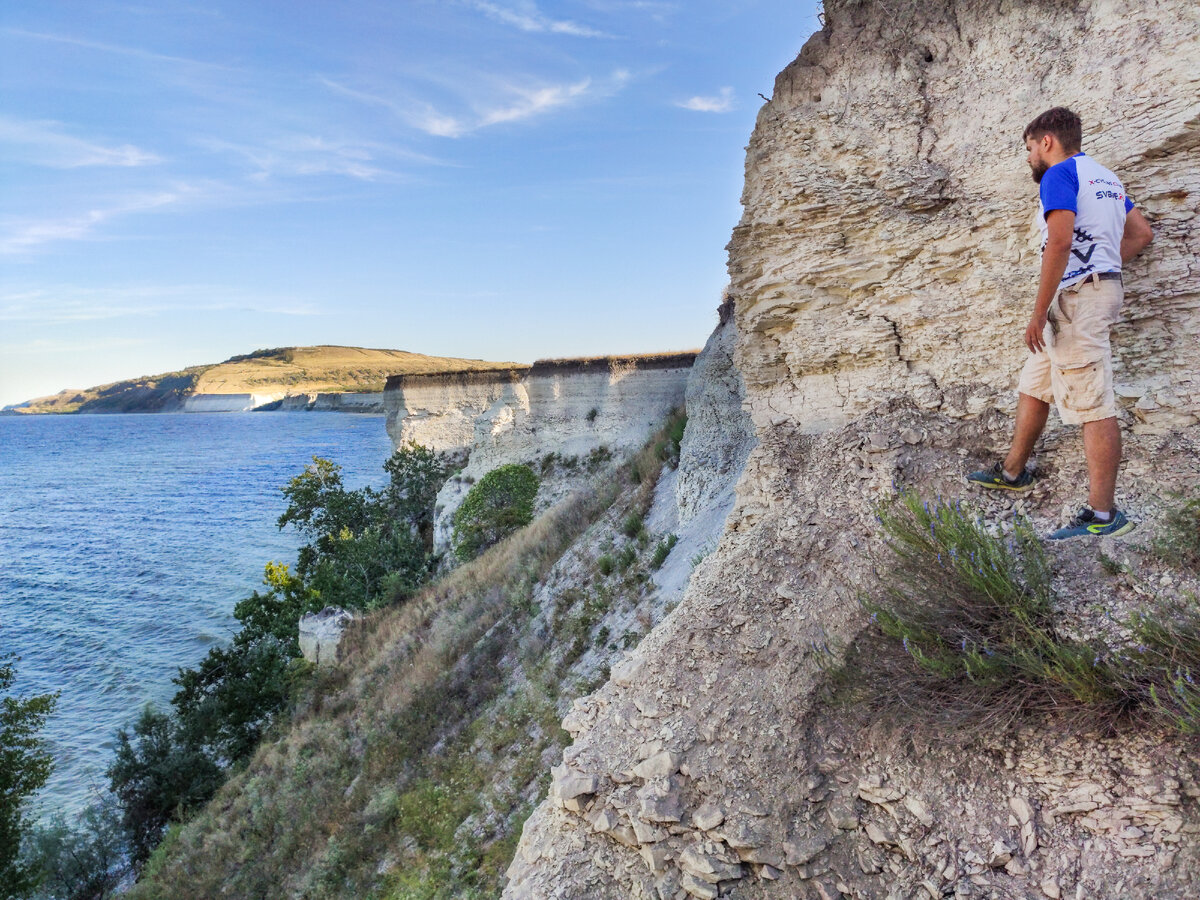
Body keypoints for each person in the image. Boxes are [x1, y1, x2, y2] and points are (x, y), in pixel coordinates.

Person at [967, 106, 1154, 539]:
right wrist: (1104, 267)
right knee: (1036, 383)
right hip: (1086, 294)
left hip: (1076, 303)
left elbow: (1061, 239)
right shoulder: (1106, 178)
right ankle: (1013, 472)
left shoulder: (1058, 175)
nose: (1029, 157)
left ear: (1046, 141)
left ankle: (1104, 517)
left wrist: (1038, 311)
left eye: (1030, 148)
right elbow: (1141, 233)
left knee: (1092, 405)